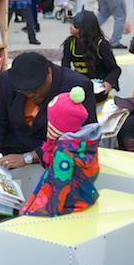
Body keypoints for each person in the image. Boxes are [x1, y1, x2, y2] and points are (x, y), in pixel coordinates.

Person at [0, 52, 97, 223]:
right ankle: (0, 204)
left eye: (36, 90)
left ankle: (50, 206)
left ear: (49, 73)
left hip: (56, 143)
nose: (33, 96)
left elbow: (82, 137)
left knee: (63, 157)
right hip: (20, 134)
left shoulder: (76, 84)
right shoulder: (7, 80)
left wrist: (28, 157)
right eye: (26, 92)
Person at [21, 86, 101, 216]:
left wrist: (51, 209)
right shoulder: (83, 142)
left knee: (30, 215)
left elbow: (61, 183)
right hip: (86, 196)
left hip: (68, 202)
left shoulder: (63, 151)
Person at [61, 9, 121, 103]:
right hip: (79, 87)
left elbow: (115, 69)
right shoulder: (70, 43)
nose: (71, 26)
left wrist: (109, 82)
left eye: (75, 24)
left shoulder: (101, 45)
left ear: (84, 28)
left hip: (98, 89)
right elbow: (65, 69)